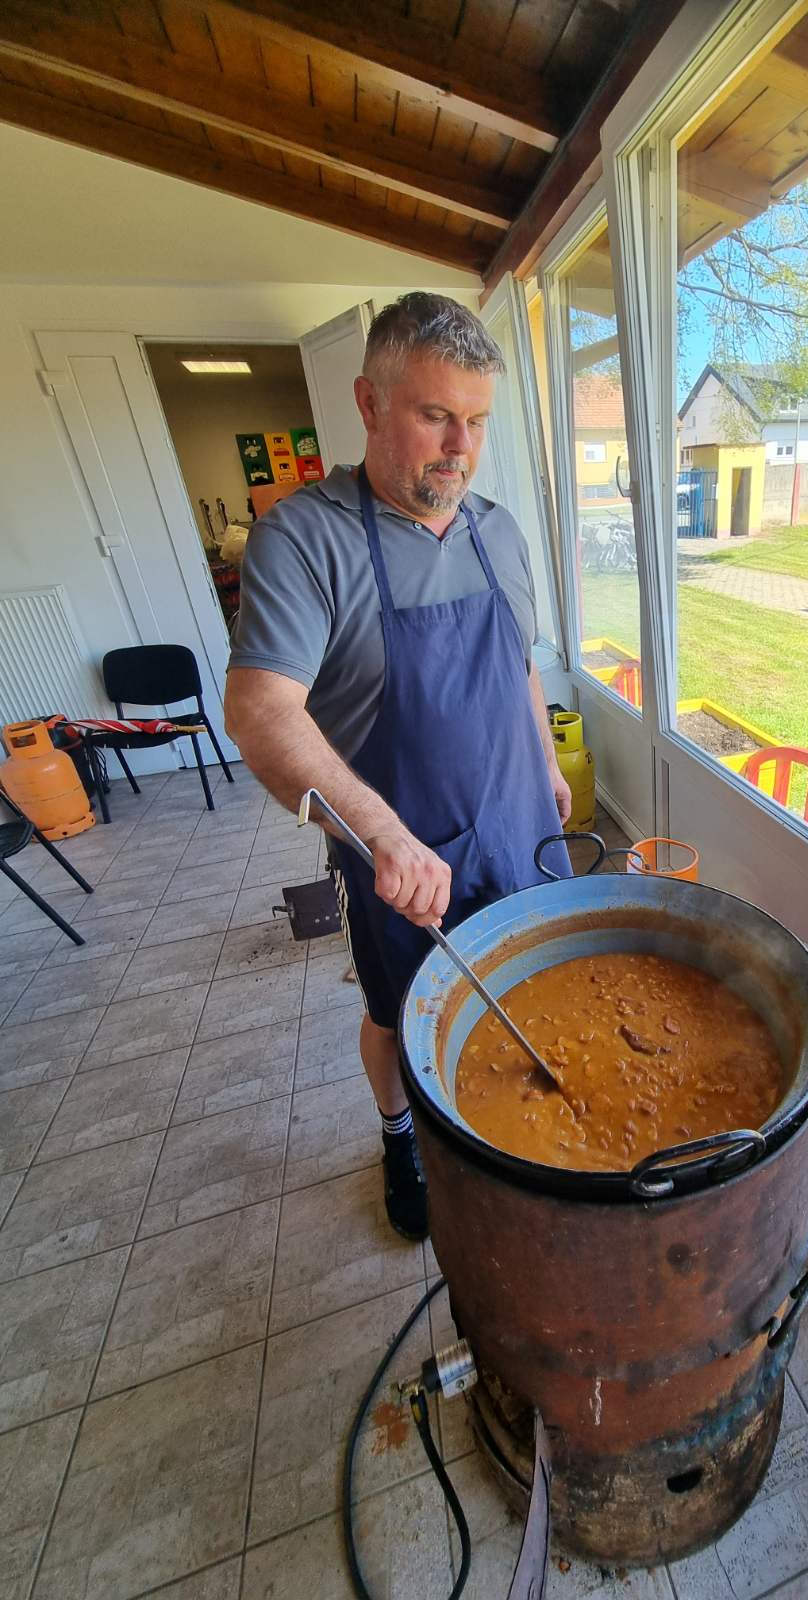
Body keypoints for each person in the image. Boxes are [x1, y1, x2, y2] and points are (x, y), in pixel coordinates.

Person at [224, 294, 574, 1239]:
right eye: (435, 415)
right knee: (399, 1009)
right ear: (370, 403)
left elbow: (521, 663)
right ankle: (400, 1136)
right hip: (402, 851)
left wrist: (546, 767)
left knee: (535, 981)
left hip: (521, 825)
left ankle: (522, 1133)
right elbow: (260, 710)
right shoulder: (306, 538)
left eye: (478, 421)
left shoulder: (499, 530)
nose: (461, 447)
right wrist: (381, 834)